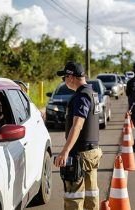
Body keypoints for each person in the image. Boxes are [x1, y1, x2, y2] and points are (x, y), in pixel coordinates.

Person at [54, 61, 103, 210]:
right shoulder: (92, 94)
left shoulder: (81, 97)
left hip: (80, 155)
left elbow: (77, 125)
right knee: (91, 195)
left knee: (73, 198)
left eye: (64, 77)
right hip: (92, 152)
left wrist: (65, 151)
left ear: (71, 77)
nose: (64, 81)